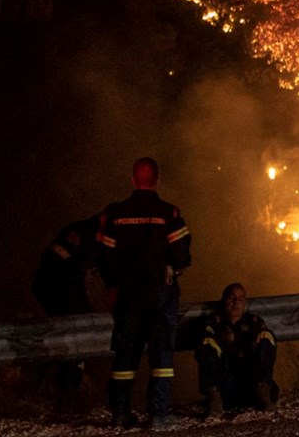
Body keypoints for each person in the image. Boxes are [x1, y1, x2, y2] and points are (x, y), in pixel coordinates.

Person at [96, 157, 191, 430]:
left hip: (127, 293)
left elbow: (105, 254)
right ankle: (158, 415)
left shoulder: (116, 213)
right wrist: (175, 266)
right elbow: (182, 252)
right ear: (157, 180)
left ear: (133, 180)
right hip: (160, 292)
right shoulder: (168, 213)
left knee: (126, 354)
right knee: (161, 353)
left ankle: (120, 412)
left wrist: (112, 284)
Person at [33, 215, 100, 411]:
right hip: (57, 287)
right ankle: (67, 391)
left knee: (76, 333)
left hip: (61, 287)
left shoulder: (86, 232)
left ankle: (65, 387)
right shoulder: (86, 234)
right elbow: (64, 266)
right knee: (75, 335)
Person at [196, 283, 278, 418]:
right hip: (225, 380)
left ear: (245, 302)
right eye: (232, 298)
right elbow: (204, 343)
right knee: (206, 342)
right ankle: (214, 399)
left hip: (249, 379)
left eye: (240, 299)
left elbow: (265, 346)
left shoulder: (254, 321)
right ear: (223, 300)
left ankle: (263, 392)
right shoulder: (213, 322)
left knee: (266, 336)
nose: (236, 302)